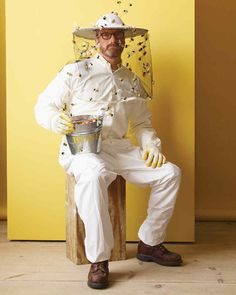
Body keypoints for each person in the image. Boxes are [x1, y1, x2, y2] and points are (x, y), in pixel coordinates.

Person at [35, 12, 182, 290]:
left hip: (119, 148)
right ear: (97, 40)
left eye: (118, 35)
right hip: (83, 149)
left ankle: (150, 242)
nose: (112, 40)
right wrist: (57, 121)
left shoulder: (131, 80)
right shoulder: (74, 72)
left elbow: (141, 123)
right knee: (92, 175)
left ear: (124, 41)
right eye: (106, 35)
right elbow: (44, 107)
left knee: (170, 173)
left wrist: (151, 143)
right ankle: (99, 260)